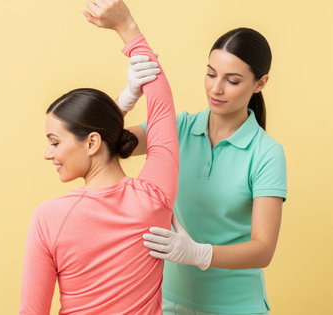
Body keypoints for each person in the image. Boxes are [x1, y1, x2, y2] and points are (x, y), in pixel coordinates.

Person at [18, 1, 178, 314]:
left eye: (54, 142)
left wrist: (126, 97)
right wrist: (127, 28)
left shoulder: (48, 218)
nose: (48, 154)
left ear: (92, 142)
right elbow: (163, 111)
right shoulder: (155, 198)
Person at [118, 27, 287, 315]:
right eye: (211, 74)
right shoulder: (178, 129)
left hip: (236, 307)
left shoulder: (266, 153)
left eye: (232, 80)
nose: (216, 89)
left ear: (260, 83)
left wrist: (199, 253)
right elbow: (102, 143)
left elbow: (263, 249)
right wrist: (127, 99)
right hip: (168, 301)